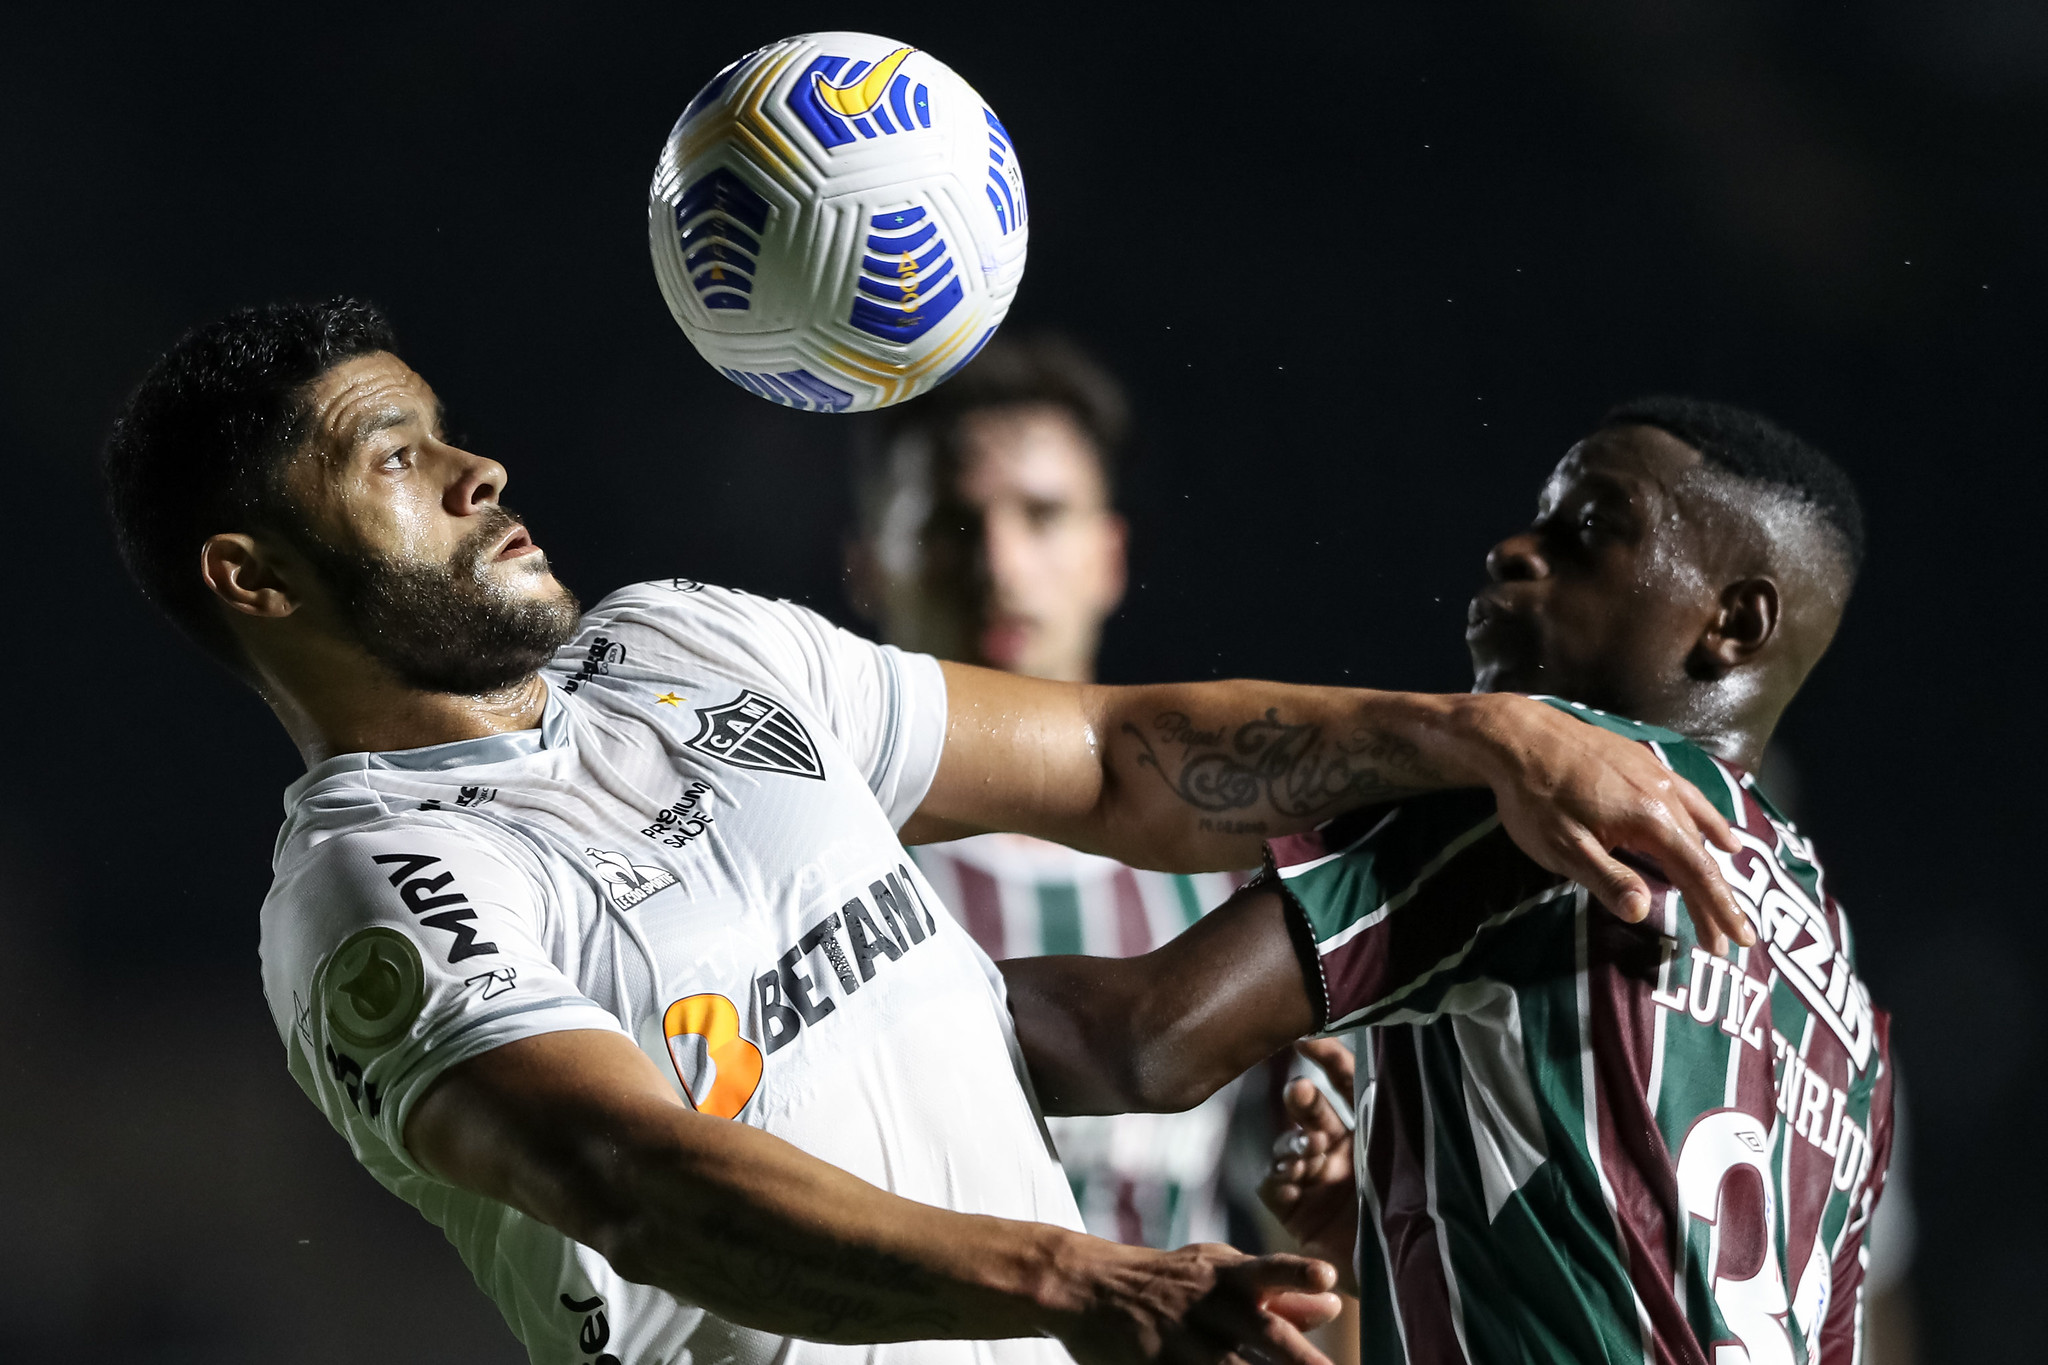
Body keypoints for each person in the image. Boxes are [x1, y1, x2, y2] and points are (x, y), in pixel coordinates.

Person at [99, 298, 1747, 1365]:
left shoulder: (687, 645)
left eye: (446, 425)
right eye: (398, 459)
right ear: (256, 578)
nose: (479, 467)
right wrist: (1088, 1278)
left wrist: (1481, 735)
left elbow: (1115, 756)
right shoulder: (371, 885)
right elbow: (637, 1176)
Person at [1000, 399, 1895, 1363]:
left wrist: (850, 974)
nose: (1512, 550)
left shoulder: (1554, 787)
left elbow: (1142, 1042)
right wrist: (1389, 1229)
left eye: (1590, 527)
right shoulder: (1846, 1005)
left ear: (1735, 621)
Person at [847, 335, 1257, 1252]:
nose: (1000, 564)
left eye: (1043, 515)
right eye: (952, 522)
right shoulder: (821, 861)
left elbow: (1311, 1229)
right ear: (869, 566)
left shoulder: (1229, 874)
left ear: (1110, 554)